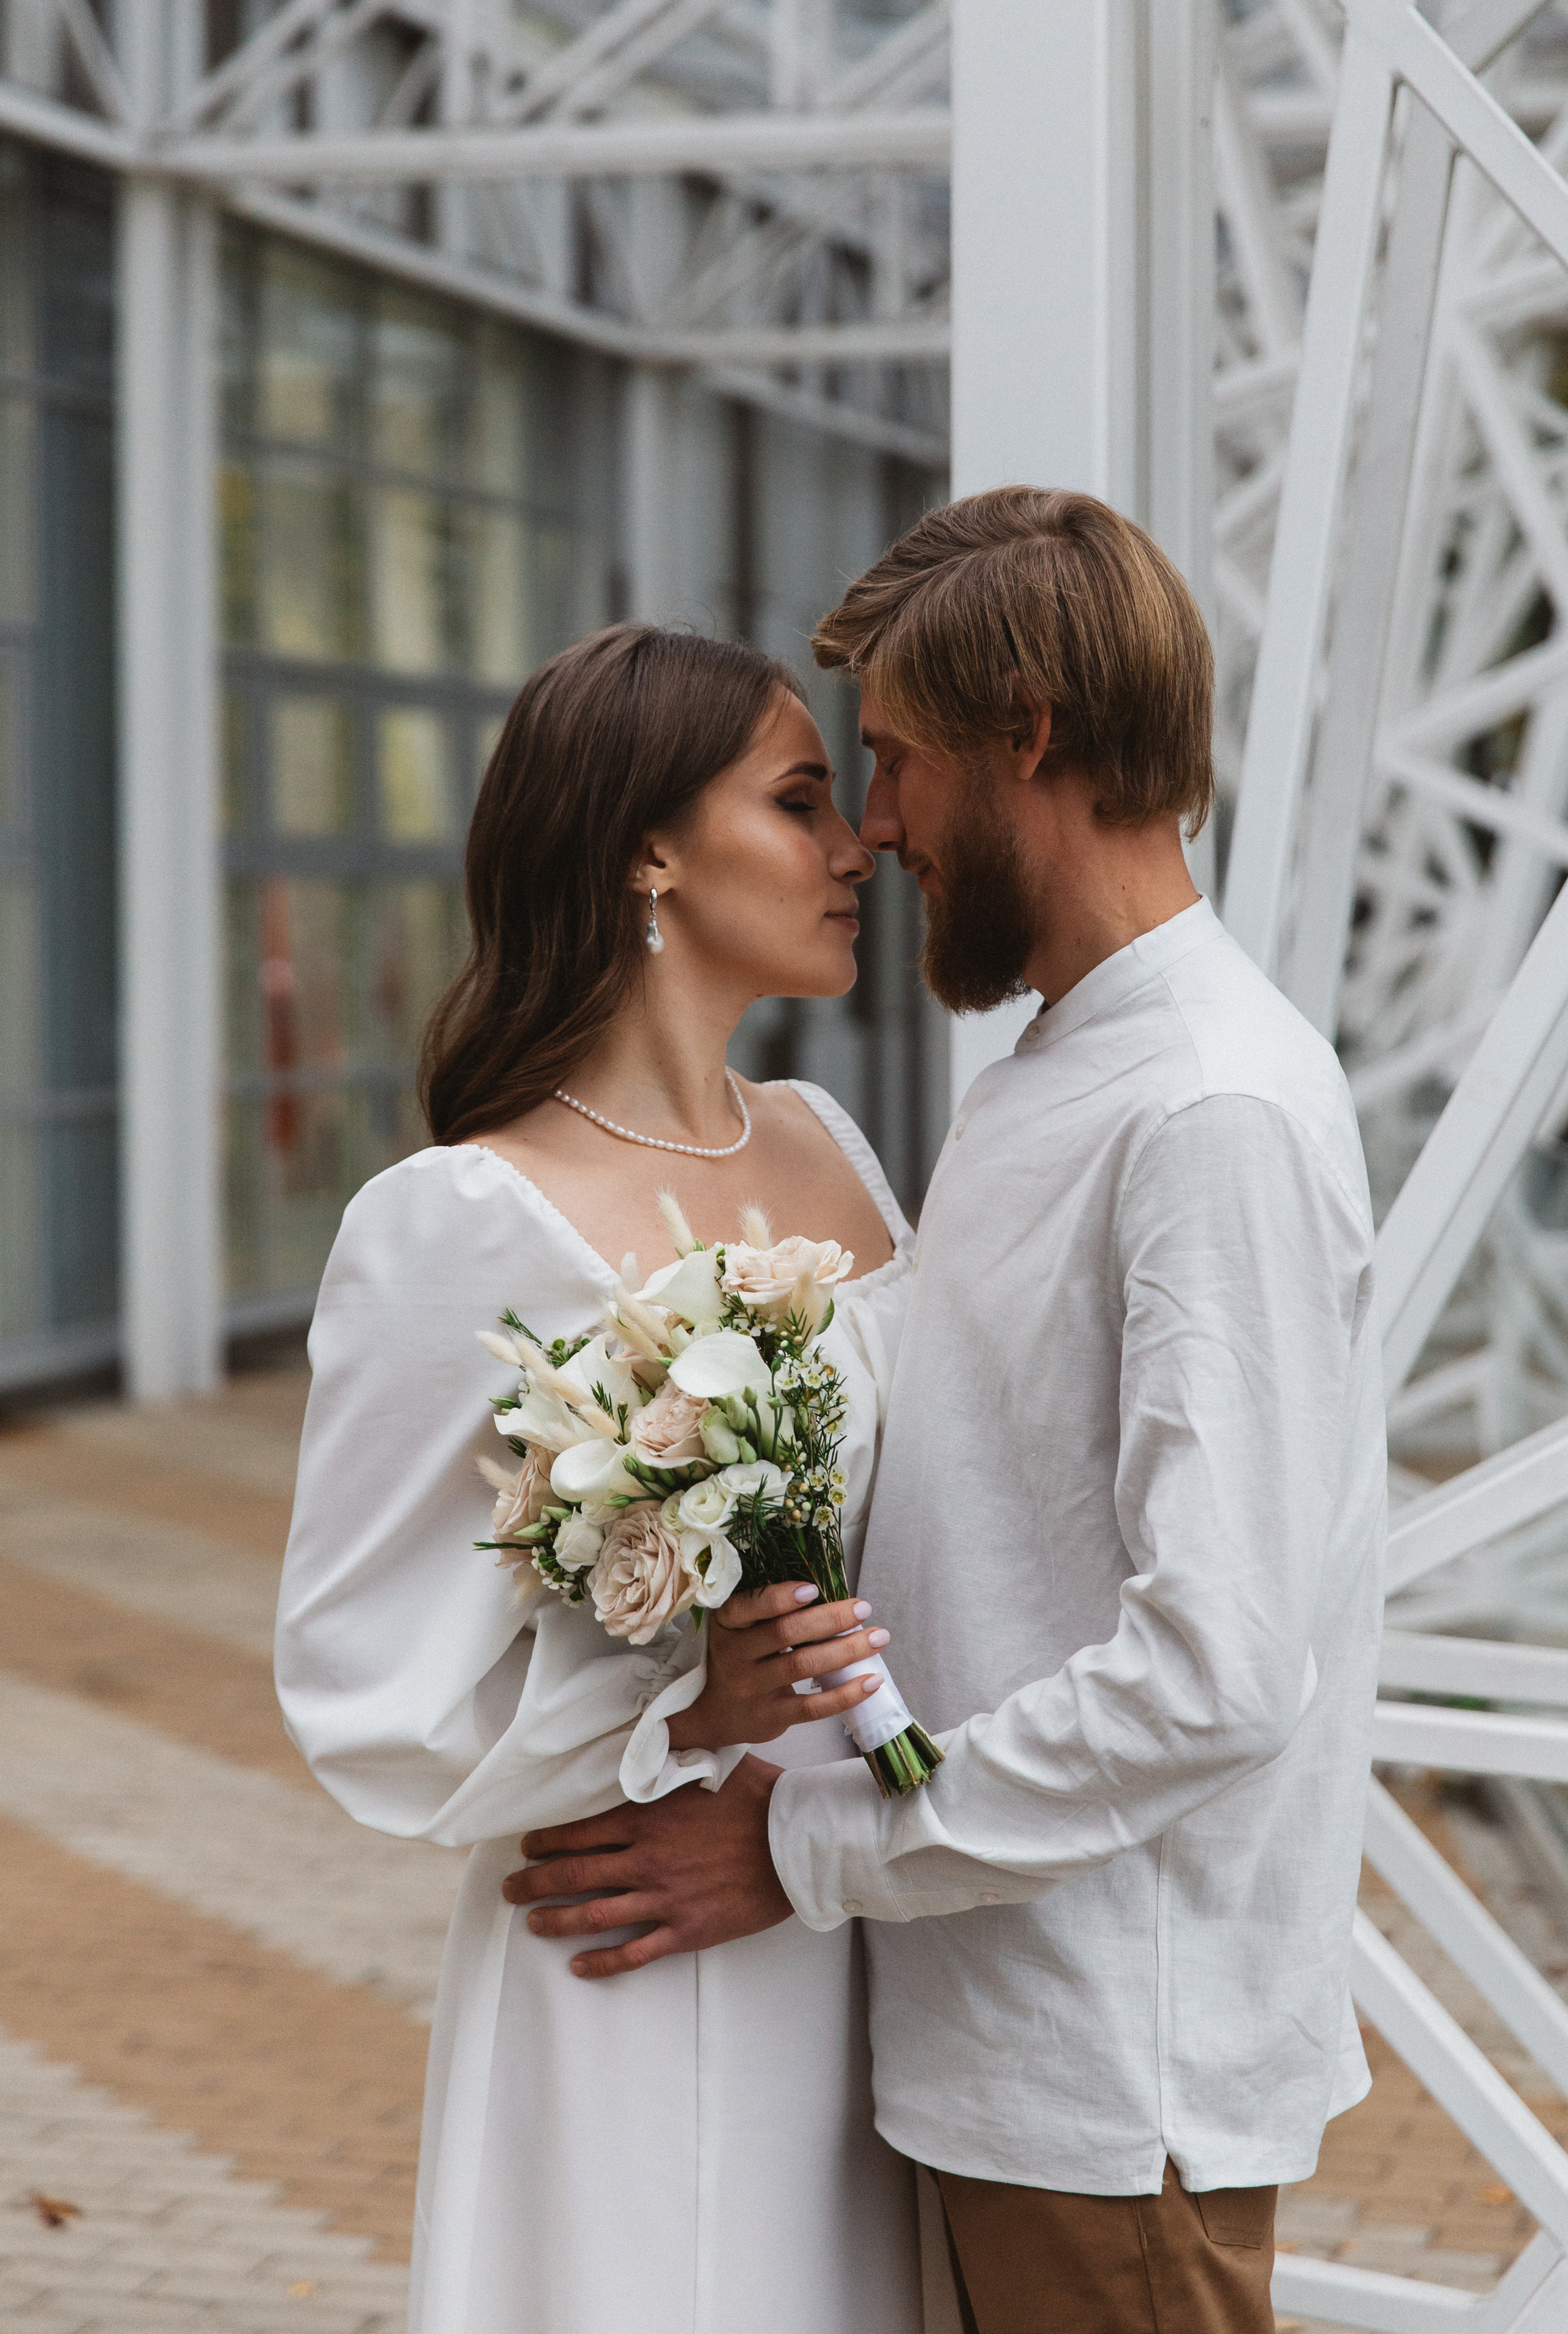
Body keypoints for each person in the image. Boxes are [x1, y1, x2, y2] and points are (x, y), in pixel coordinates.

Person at [505, 489, 1388, 2334]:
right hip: (998, 2050)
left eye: (894, 763)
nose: (879, 823)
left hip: (1111, 2082)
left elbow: (1217, 1672)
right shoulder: (1056, 1074)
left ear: (1031, 738)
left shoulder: (1210, 1112)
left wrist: (794, 1850)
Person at [274, 626, 938, 2334]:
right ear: (649, 847)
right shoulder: (456, 1221)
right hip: (644, 1939)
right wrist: (680, 1707)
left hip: (868, 1902)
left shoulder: (828, 1144)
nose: (853, 844)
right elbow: (358, 1682)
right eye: (800, 800)